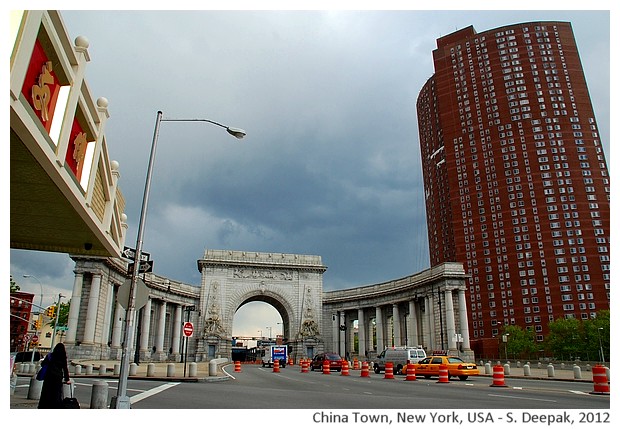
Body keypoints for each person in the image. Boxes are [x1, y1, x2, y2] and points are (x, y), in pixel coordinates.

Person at [37, 342, 71, 409]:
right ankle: (55, 406)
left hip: (48, 376)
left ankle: (44, 406)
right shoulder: (63, 357)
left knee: (46, 392)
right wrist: (67, 379)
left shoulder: (50, 355)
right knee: (56, 393)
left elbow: (43, 364)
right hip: (58, 377)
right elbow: (65, 368)